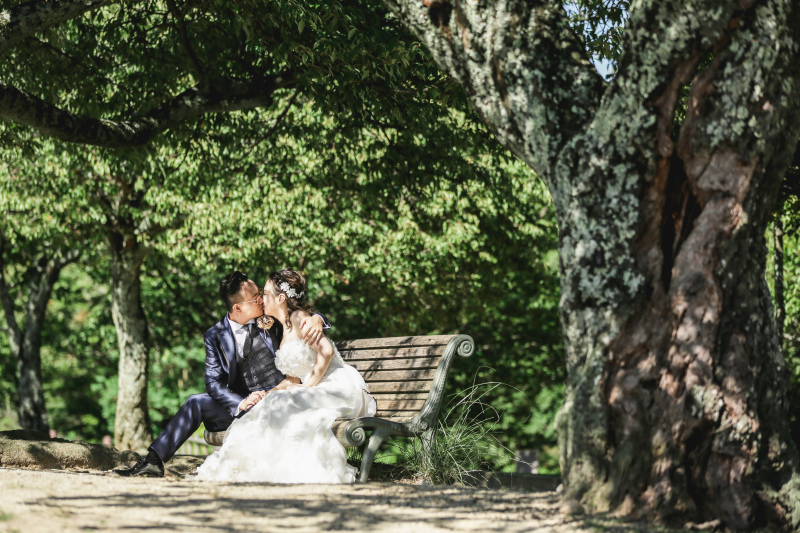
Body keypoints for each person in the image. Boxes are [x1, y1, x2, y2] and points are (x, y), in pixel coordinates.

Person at [113, 271, 329, 477]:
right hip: (243, 408)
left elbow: (297, 313)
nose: (262, 300)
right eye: (255, 298)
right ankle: (152, 461)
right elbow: (213, 383)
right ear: (237, 307)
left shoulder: (270, 320)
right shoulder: (214, 336)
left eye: (261, 294)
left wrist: (317, 318)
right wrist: (241, 402)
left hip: (279, 400)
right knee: (196, 402)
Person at [195, 268, 376, 483]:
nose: (261, 298)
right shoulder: (282, 327)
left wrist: (308, 386)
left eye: (265, 293)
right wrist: (267, 394)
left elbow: (326, 352)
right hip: (313, 387)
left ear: (280, 298)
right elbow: (291, 379)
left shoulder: (300, 317)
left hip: (336, 386)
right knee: (271, 403)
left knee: (284, 404)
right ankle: (261, 467)